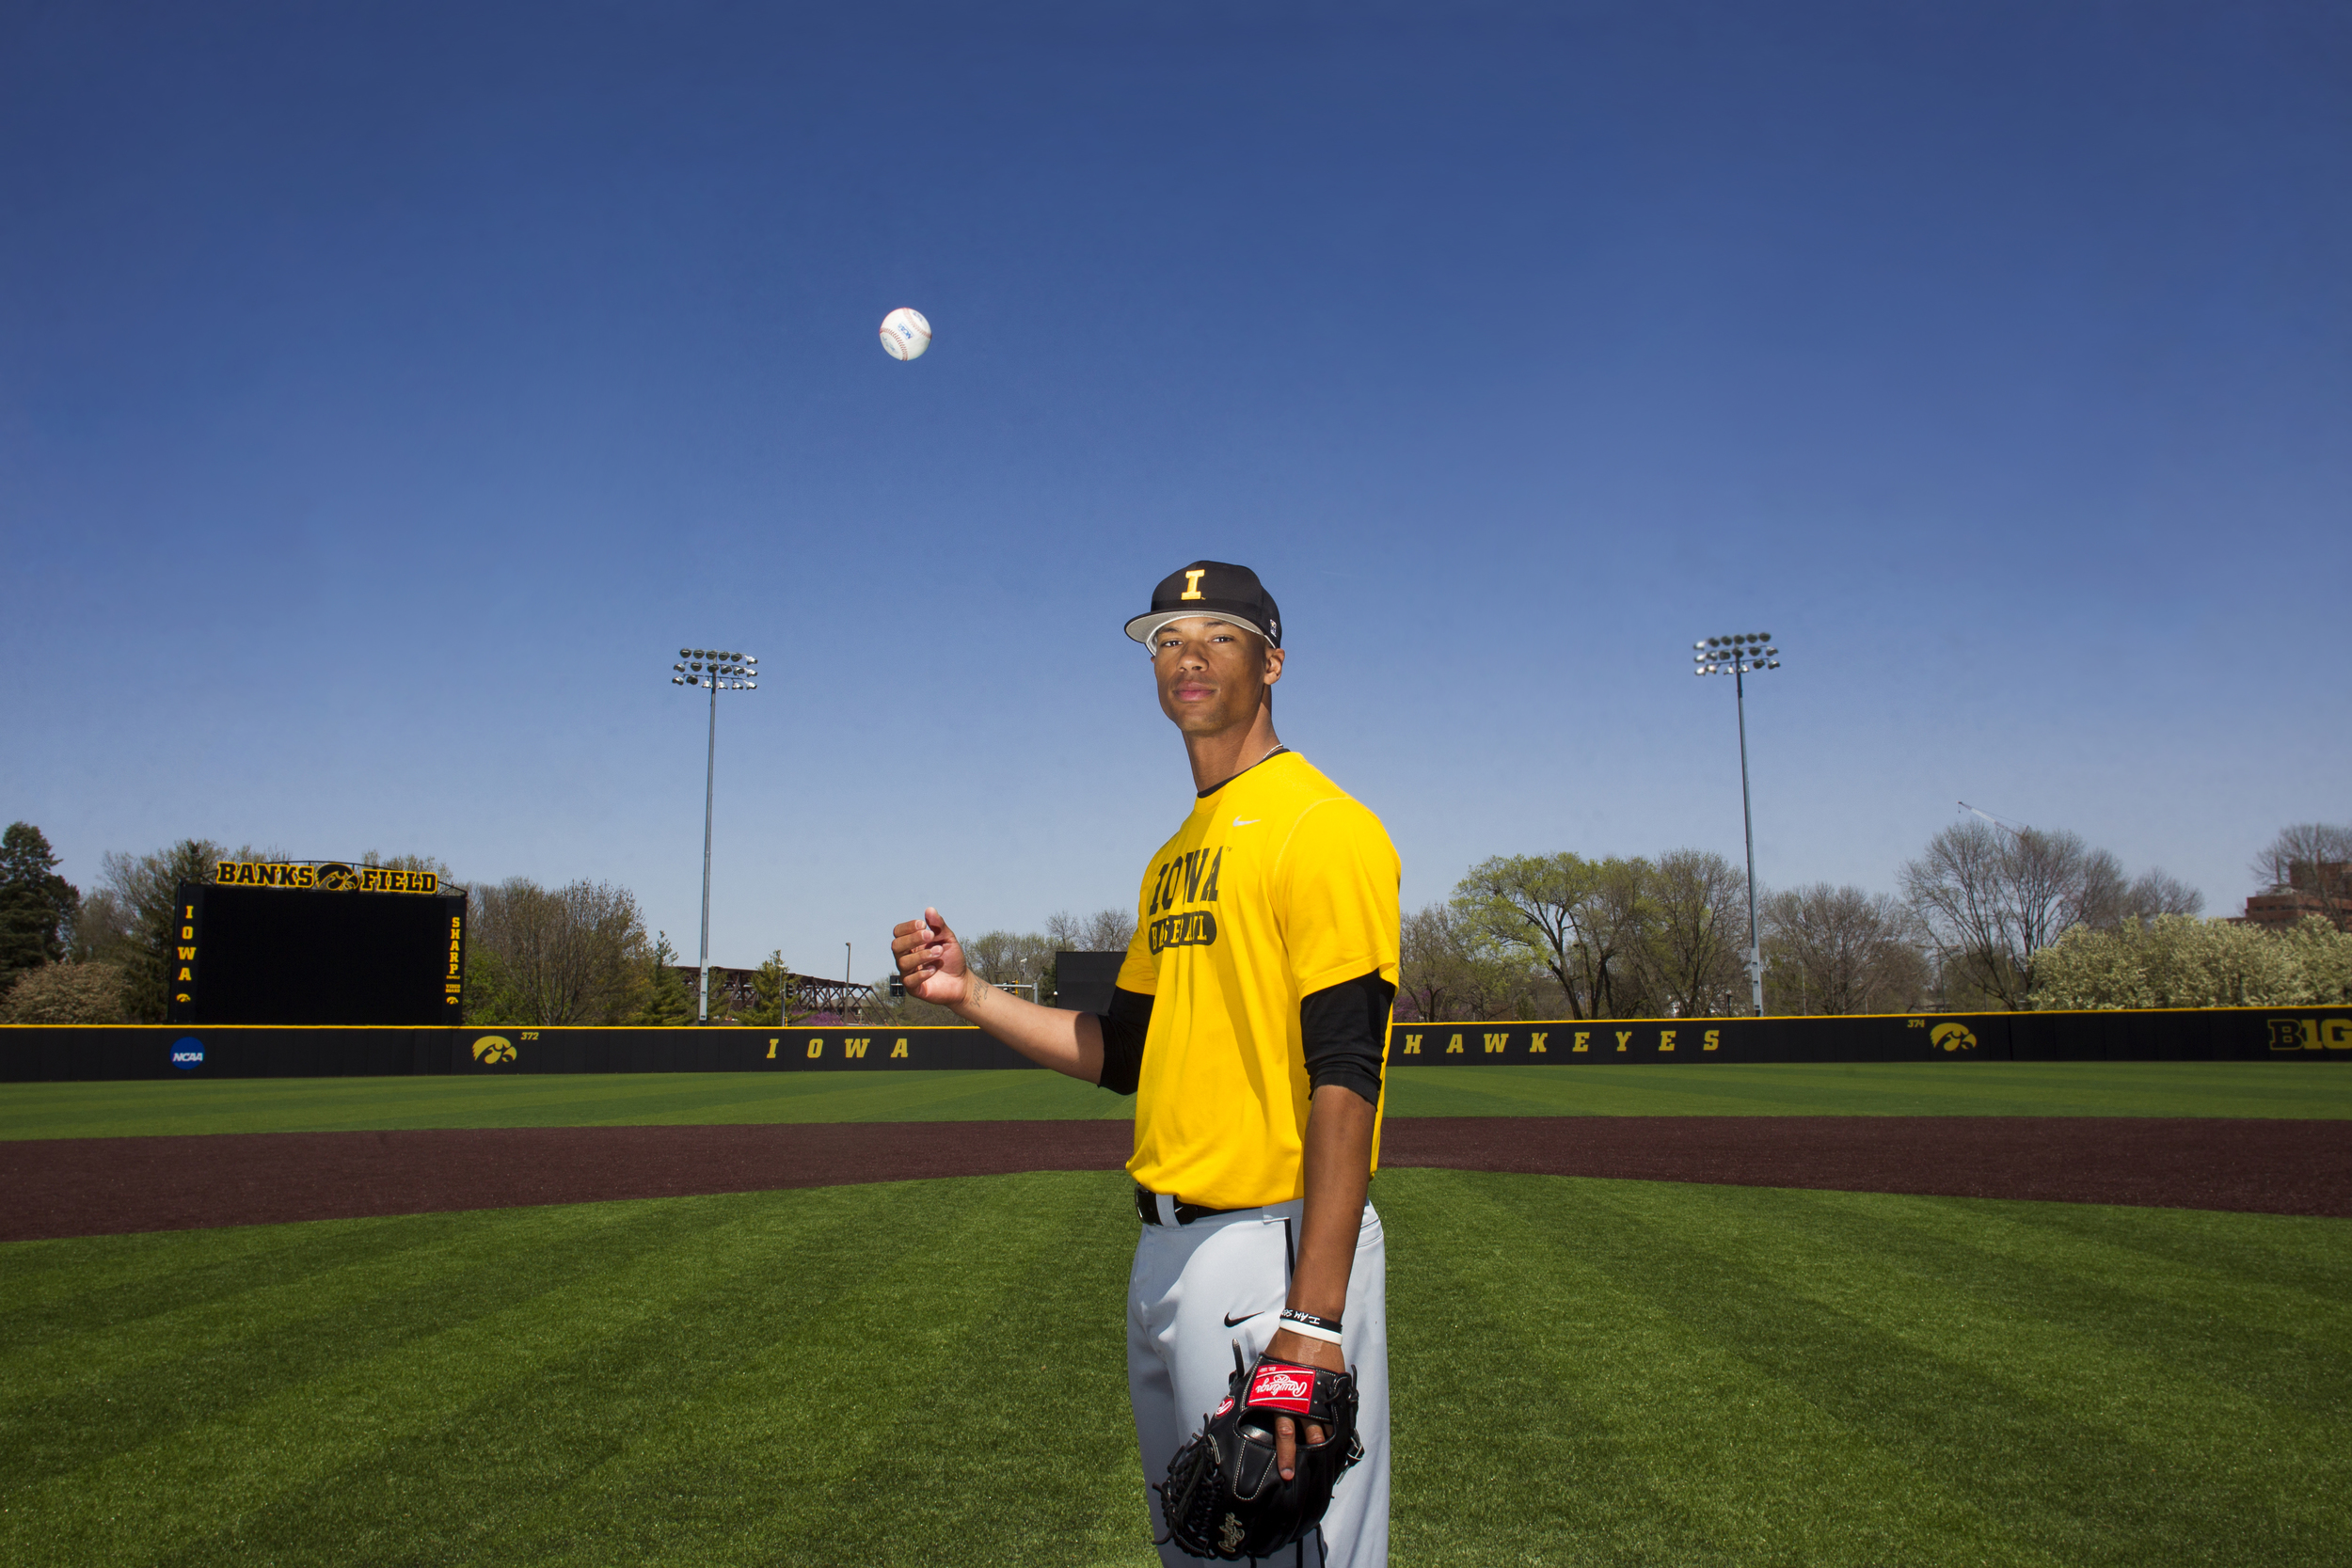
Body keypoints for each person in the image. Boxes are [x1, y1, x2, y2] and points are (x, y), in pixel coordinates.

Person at [891, 560, 1399, 1566]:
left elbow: (1346, 1072)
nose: (1186, 652)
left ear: (1272, 661)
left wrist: (1314, 1316)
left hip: (1271, 1246)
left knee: (1284, 1550)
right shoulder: (1172, 855)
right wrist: (972, 992)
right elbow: (1121, 1051)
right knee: (1201, 1543)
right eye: (1165, 637)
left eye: (1217, 631)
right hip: (1163, 1251)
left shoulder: (1322, 824)